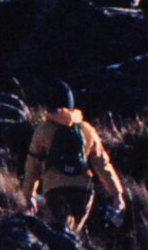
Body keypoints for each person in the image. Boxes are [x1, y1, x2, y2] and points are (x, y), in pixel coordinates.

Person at [23, 94, 126, 234]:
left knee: (56, 234)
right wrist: (117, 193)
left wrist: (29, 195)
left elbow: (33, 165)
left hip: (54, 188)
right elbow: (102, 163)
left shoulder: (43, 129)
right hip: (83, 190)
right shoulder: (86, 129)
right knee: (73, 234)